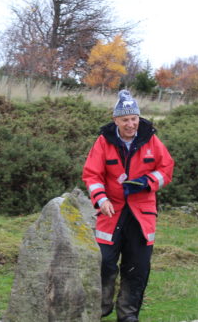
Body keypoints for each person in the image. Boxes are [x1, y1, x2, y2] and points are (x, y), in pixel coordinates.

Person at [82, 90, 174, 322]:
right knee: (104, 262)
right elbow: (92, 175)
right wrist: (101, 199)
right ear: (116, 120)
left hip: (142, 214)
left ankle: (128, 315)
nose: (131, 124)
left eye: (134, 118)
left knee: (138, 267)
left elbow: (166, 170)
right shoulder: (104, 141)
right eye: (125, 120)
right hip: (110, 212)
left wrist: (147, 183)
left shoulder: (151, 139)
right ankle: (100, 309)